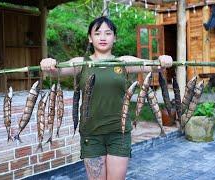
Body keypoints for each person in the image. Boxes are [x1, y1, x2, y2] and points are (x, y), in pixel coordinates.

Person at [40, 16, 173, 180]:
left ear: (114, 38)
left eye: (108, 33)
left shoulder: (123, 62)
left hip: (119, 133)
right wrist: (48, 64)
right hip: (91, 134)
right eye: (97, 33)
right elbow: (55, 72)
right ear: (90, 38)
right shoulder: (81, 63)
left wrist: (163, 60)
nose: (103, 37)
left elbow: (153, 65)